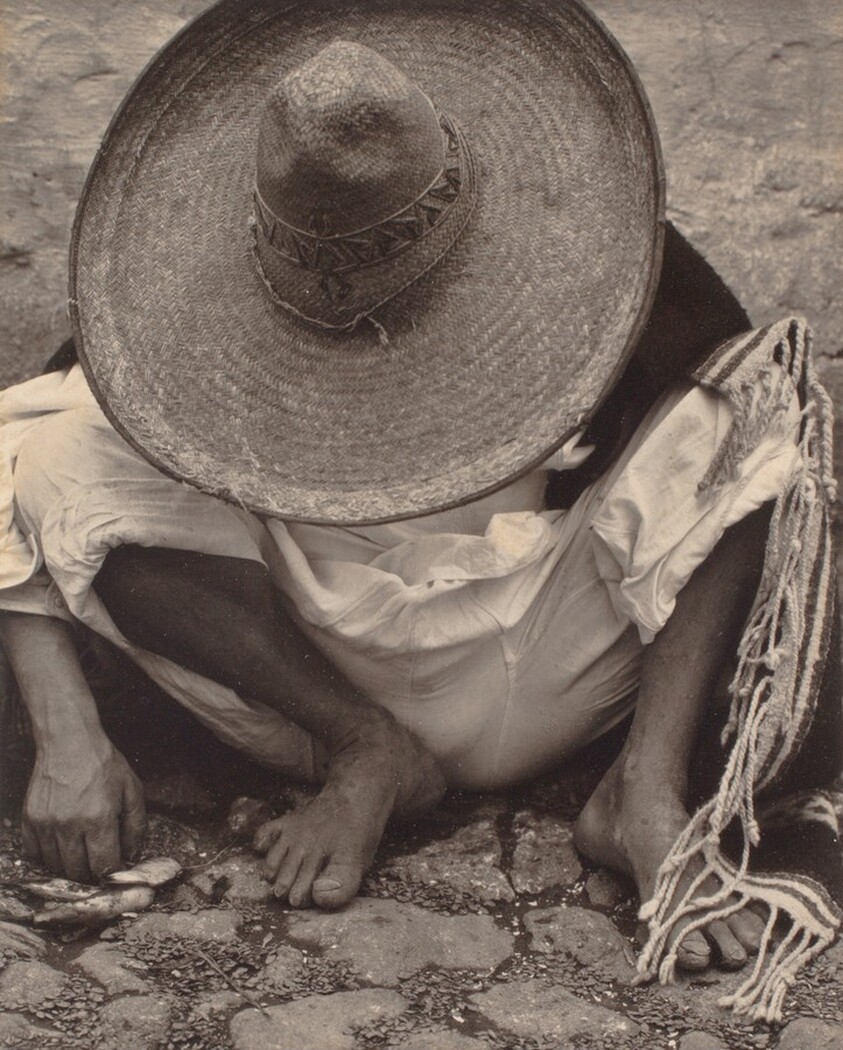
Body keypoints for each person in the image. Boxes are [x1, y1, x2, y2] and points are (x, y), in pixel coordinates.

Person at [0, 1, 840, 1023]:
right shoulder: (172, 312)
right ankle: (371, 751)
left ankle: (642, 793)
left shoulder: (599, 255)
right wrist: (66, 731)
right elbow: (20, 450)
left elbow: (726, 450)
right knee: (61, 442)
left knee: (759, 397)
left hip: (537, 642)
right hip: (304, 681)